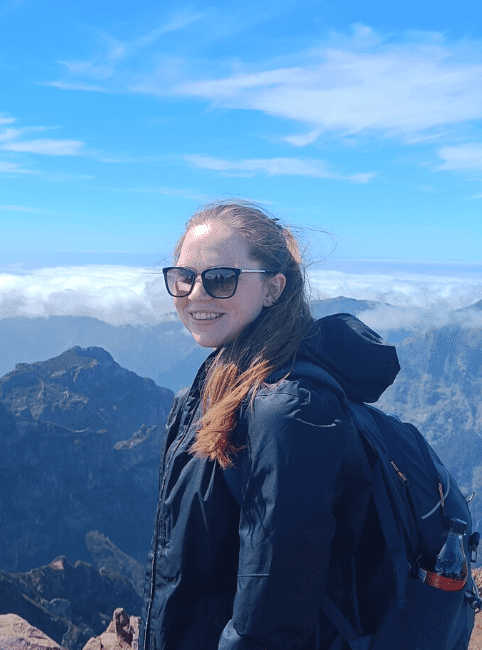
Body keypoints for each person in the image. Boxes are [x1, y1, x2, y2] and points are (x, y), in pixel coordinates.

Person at [142, 201, 400, 649]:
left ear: (273, 289)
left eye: (220, 278)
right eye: (184, 277)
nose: (196, 294)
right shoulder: (218, 383)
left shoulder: (286, 414)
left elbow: (271, 617)